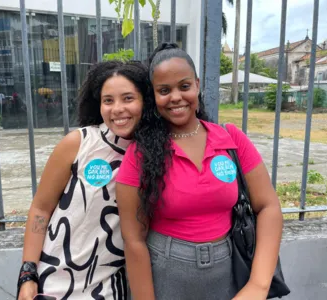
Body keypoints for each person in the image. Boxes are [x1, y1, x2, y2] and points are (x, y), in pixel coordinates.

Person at [116, 43, 284, 300]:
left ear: (197, 84)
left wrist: (258, 285)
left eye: (184, 86)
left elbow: (268, 206)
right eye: (164, 90)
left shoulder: (230, 139)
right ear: (154, 95)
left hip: (228, 271)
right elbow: (134, 240)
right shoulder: (141, 154)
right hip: (167, 274)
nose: (175, 97)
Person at [17, 60, 150, 300]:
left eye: (128, 98)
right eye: (108, 100)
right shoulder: (80, 143)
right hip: (53, 284)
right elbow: (41, 208)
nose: (117, 108)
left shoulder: (154, 154)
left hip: (107, 289)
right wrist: (28, 275)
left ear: (145, 101)